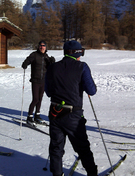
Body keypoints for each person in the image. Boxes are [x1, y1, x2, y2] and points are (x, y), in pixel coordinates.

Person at [45, 40, 97, 176]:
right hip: (73, 115)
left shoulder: (52, 67)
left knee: (56, 147)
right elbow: (92, 90)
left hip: (55, 112)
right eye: (81, 53)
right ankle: (92, 173)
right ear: (77, 53)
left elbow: (48, 92)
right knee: (82, 147)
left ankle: (57, 173)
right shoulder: (82, 66)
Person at [21, 40, 55, 125]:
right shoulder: (34, 55)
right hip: (35, 80)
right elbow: (25, 63)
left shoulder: (46, 57)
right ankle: (29, 116)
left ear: (46, 47)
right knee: (35, 99)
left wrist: (52, 63)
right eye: (40, 46)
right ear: (38, 46)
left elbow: (50, 69)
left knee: (40, 99)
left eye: (43, 46)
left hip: (43, 81)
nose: (42, 47)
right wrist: (25, 63)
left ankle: (37, 115)